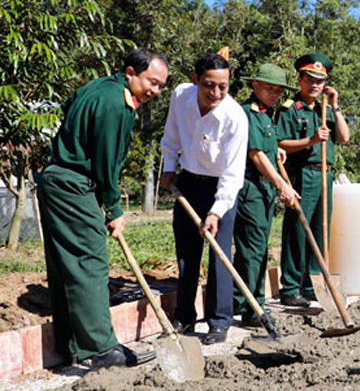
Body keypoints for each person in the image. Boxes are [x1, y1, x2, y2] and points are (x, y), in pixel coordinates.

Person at [37, 48, 168, 369]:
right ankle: (99, 350)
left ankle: (72, 346)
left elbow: (68, 111)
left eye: (161, 86)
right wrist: (113, 208)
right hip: (74, 184)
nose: (155, 91)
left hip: (54, 178)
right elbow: (106, 163)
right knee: (90, 263)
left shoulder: (96, 87)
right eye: (152, 82)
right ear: (130, 73)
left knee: (65, 266)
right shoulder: (118, 106)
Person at [160, 52, 248, 345]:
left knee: (219, 254)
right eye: (209, 85)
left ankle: (219, 321)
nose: (216, 93)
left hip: (220, 188)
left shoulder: (235, 117)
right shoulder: (180, 96)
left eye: (223, 86)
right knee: (186, 253)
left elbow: (234, 173)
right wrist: (168, 169)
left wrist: (216, 211)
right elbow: (171, 134)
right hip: (187, 182)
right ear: (195, 79)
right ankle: (184, 315)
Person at [275, 53, 349, 307]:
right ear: (300, 80)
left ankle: (312, 284)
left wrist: (335, 106)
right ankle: (291, 287)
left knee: (320, 231)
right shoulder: (290, 109)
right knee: (297, 230)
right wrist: (311, 141)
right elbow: (280, 143)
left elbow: (344, 137)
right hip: (302, 173)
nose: (315, 85)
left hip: (326, 174)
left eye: (320, 81)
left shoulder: (325, 108)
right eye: (310, 80)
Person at [232, 63, 300, 326]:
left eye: (278, 90)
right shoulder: (248, 113)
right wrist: (283, 185)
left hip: (263, 189)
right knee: (253, 250)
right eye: (269, 88)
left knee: (255, 250)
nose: (274, 94)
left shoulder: (265, 114)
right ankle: (252, 308)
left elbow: (266, 150)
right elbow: (255, 155)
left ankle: (247, 300)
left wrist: (277, 152)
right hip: (251, 188)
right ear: (255, 86)